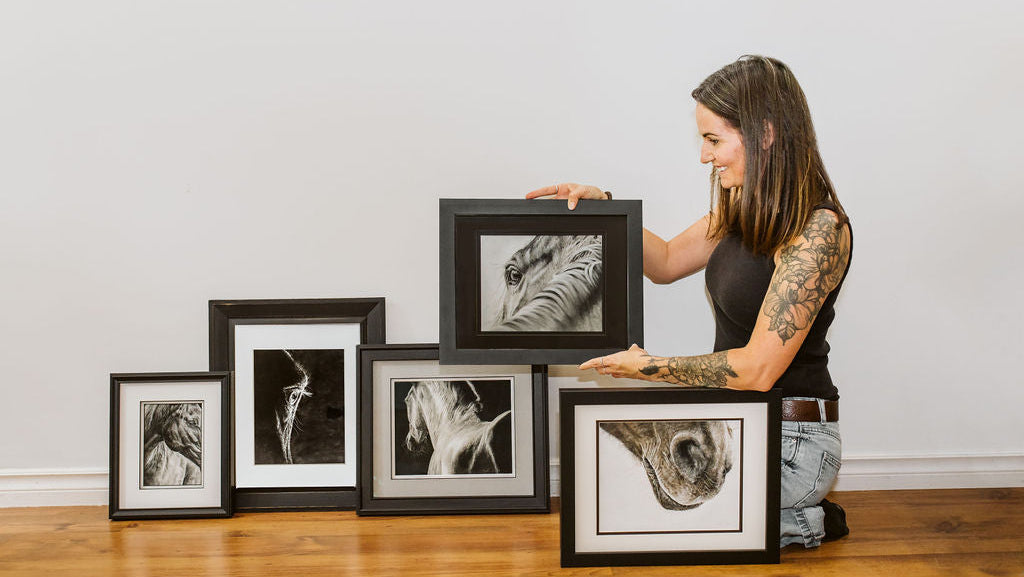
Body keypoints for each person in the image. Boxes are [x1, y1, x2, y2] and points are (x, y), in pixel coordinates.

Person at [526, 55, 852, 548]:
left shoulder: (819, 230)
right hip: (734, 421)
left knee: (666, 529)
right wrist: (603, 210)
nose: (705, 156)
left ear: (764, 134)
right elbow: (666, 262)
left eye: (714, 139)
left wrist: (649, 368)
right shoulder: (741, 208)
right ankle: (780, 516)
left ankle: (807, 519)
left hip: (794, 439)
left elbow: (758, 370)